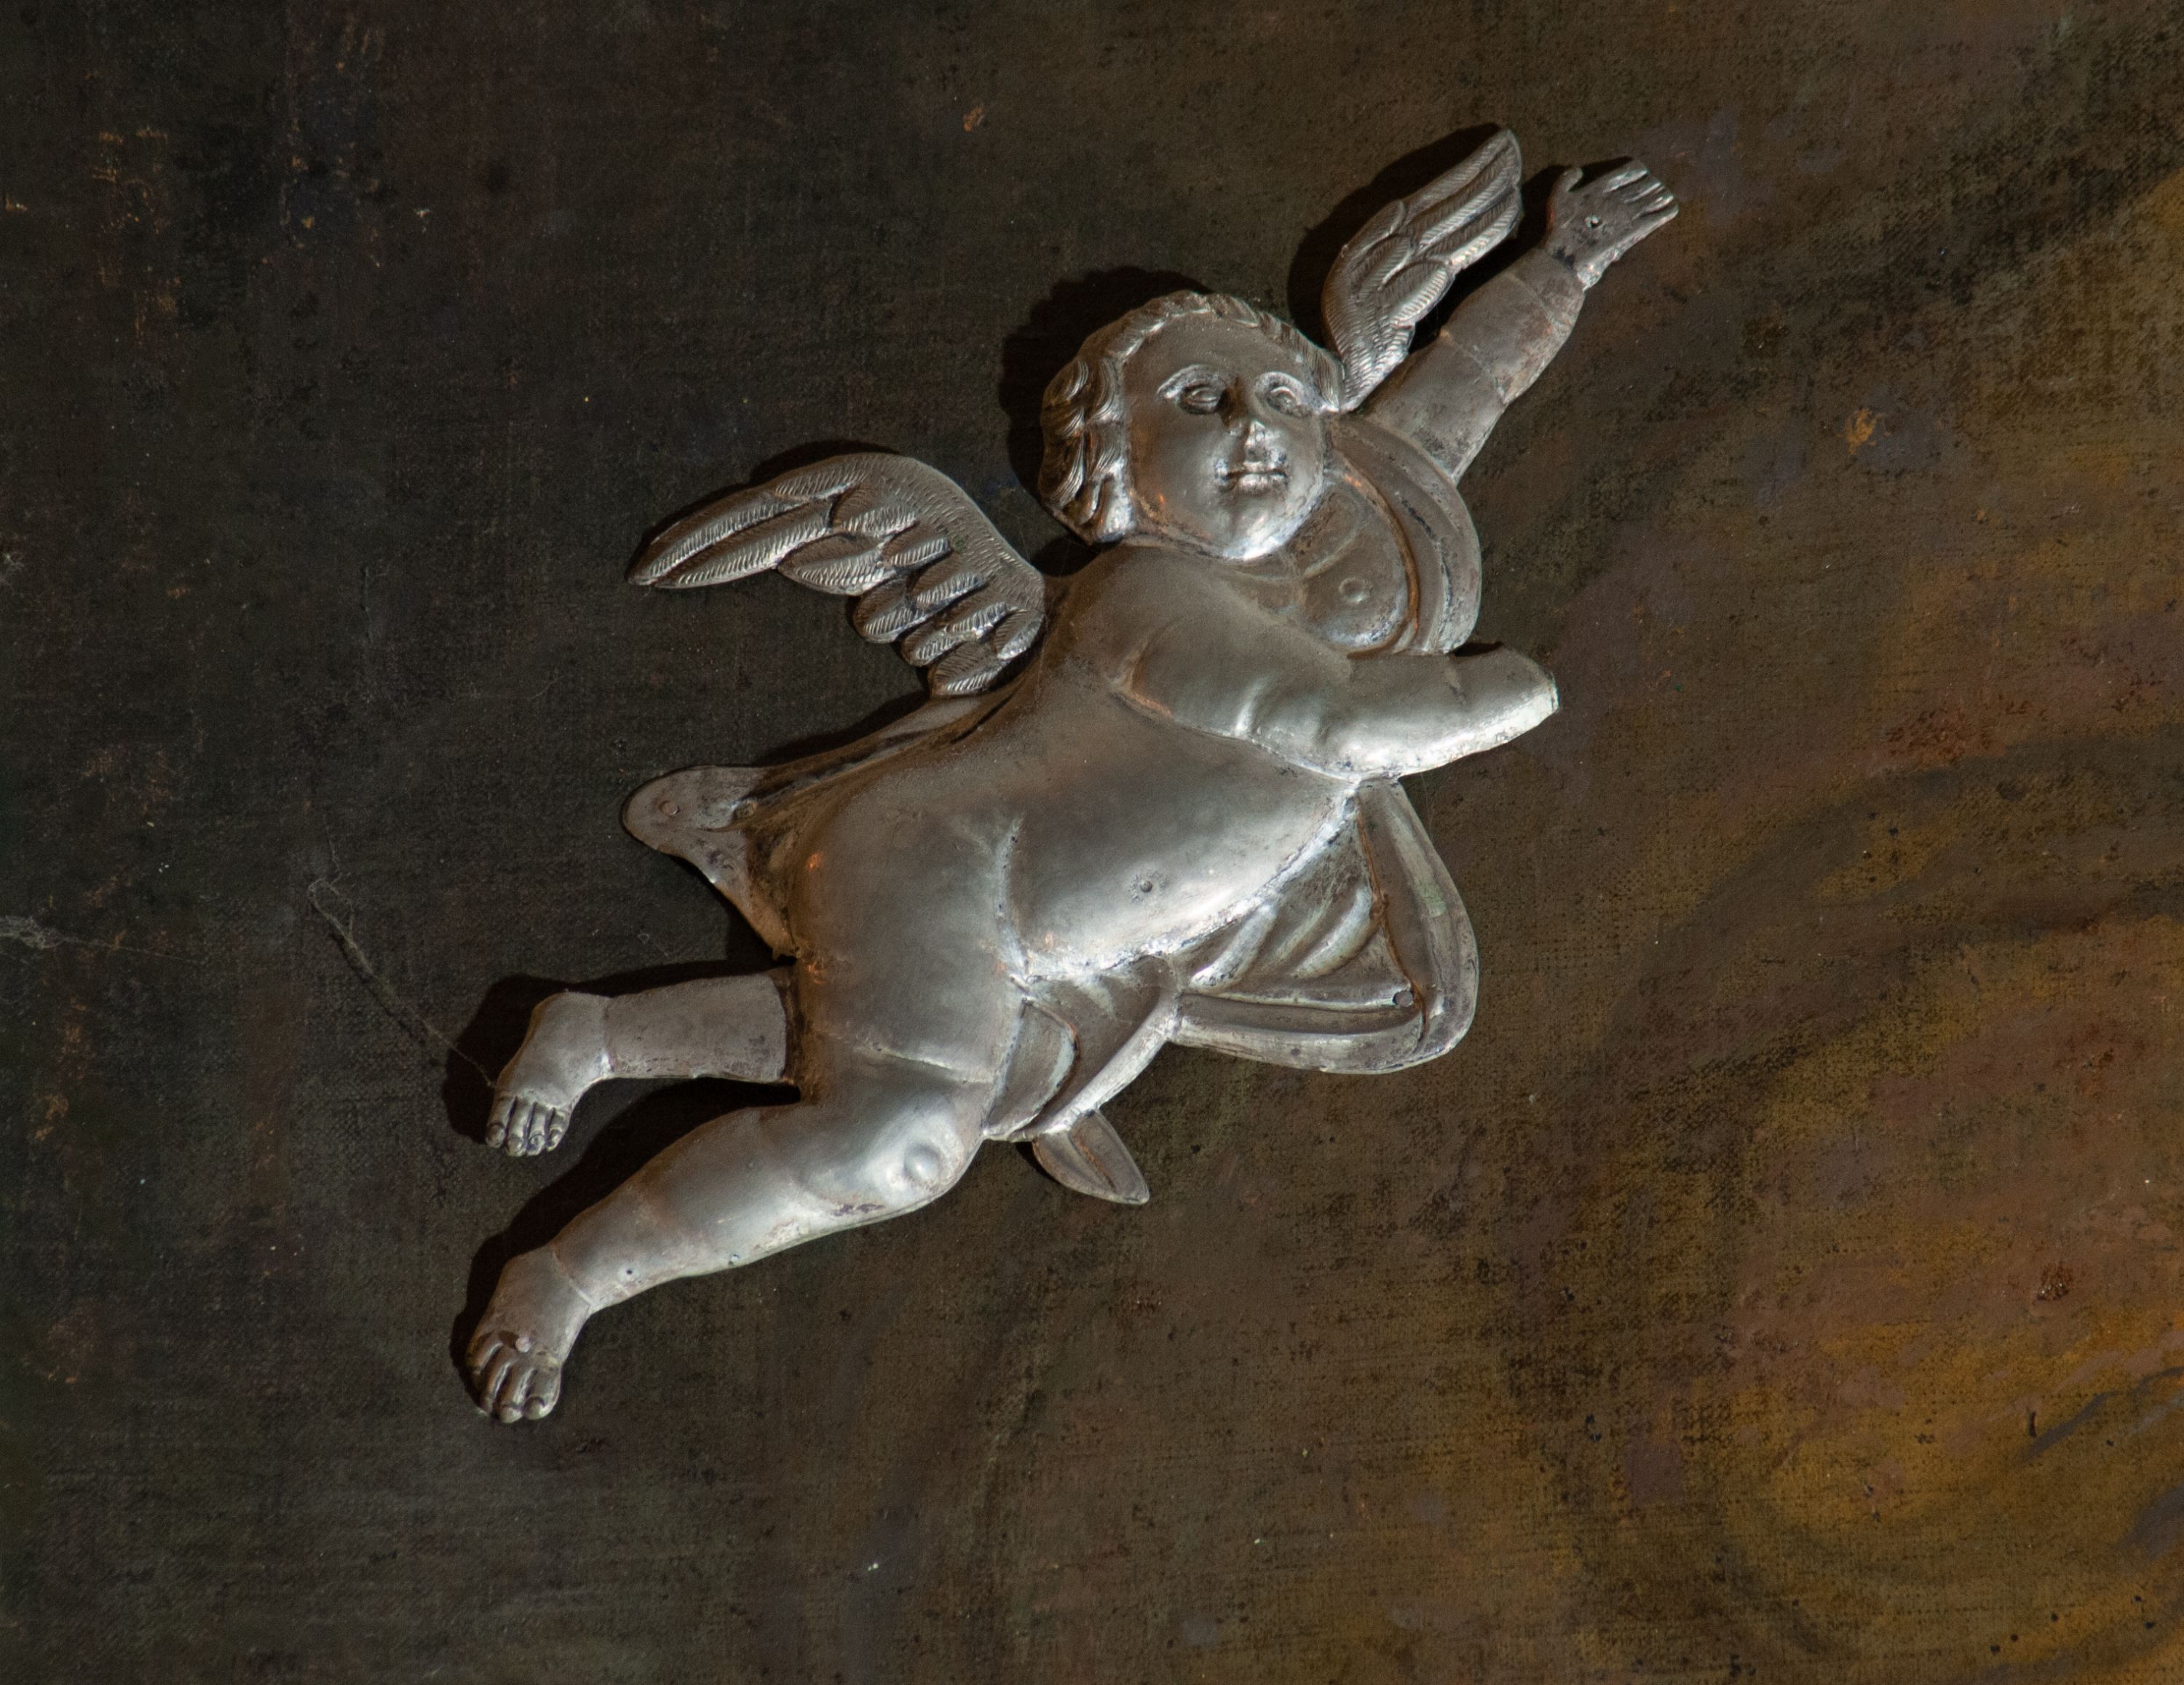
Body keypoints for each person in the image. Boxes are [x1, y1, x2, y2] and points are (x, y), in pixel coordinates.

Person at [466, 146, 1676, 1422]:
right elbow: (1331, 719)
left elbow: (1462, 389)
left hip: (1041, 939)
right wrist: (1516, 687)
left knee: (904, 1062)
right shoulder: (1149, 594)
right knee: (902, 1140)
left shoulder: (1334, 577)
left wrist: (1565, 261)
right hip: (947, 868)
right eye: (1201, 401)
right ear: (1114, 460)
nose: (1254, 427)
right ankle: (567, 1276)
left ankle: (600, 1036)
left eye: (1282, 401)